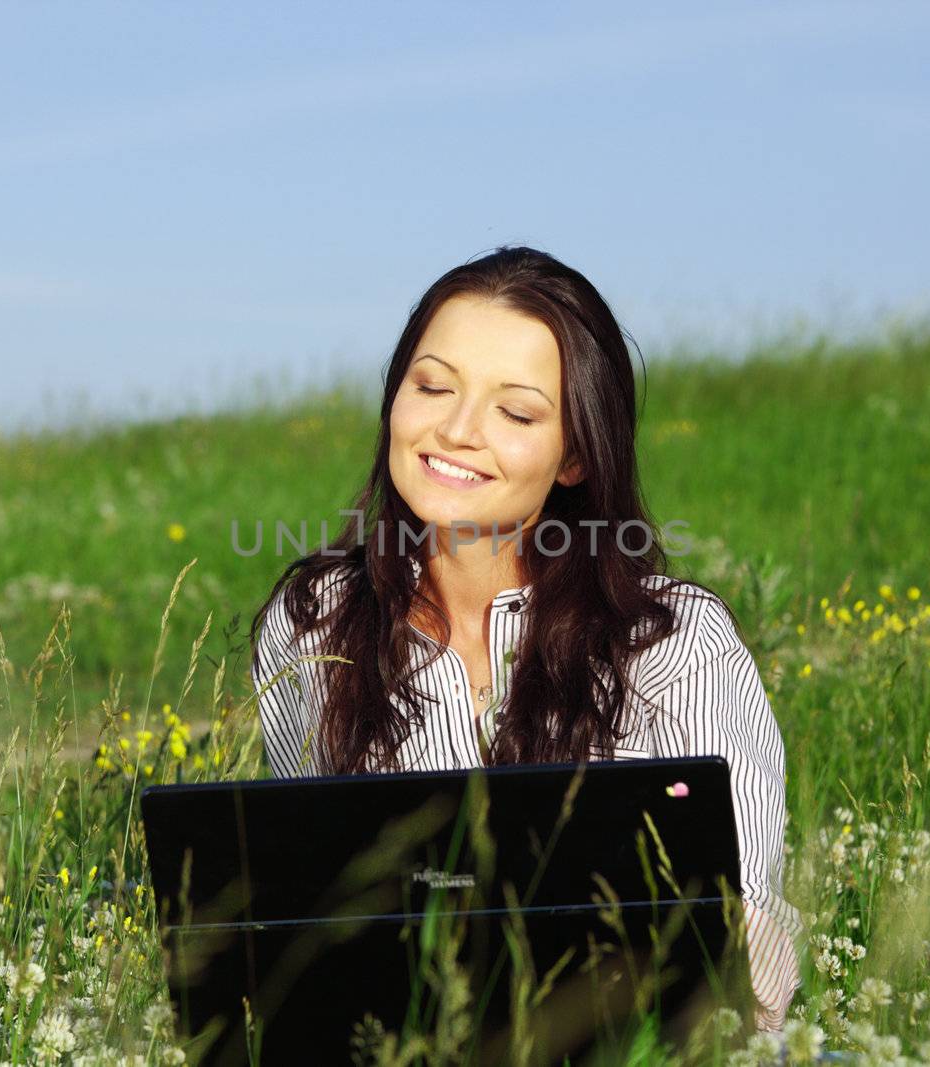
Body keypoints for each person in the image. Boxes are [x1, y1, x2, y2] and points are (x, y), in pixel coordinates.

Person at [247, 245, 803, 1032]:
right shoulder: (313, 623)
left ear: (575, 453)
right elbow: (301, 909)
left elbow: (740, 925)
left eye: (516, 411)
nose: (458, 429)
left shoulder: (673, 643)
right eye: (432, 385)